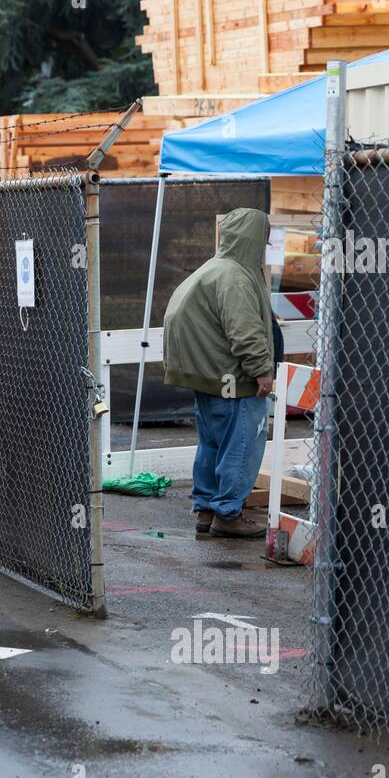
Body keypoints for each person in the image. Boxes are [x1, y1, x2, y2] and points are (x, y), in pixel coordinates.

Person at [162, 207, 275, 539]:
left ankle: (207, 509)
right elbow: (245, 332)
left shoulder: (212, 269)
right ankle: (229, 514)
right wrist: (262, 371)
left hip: (206, 377)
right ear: (255, 240)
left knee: (211, 445)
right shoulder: (236, 277)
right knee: (242, 446)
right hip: (233, 380)